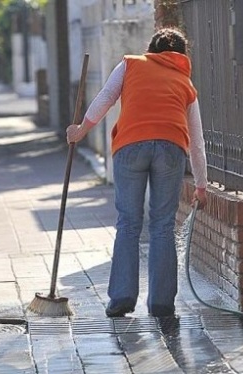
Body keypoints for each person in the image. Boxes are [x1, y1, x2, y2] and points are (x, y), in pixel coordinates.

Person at [66, 27, 208, 318]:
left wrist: (81, 130)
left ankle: (121, 298)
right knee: (162, 225)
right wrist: (202, 185)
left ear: (151, 49)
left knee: (129, 222)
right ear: (182, 55)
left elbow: (106, 97)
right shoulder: (185, 83)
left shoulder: (130, 64)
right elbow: (197, 139)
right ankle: (161, 303)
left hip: (130, 145)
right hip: (171, 148)